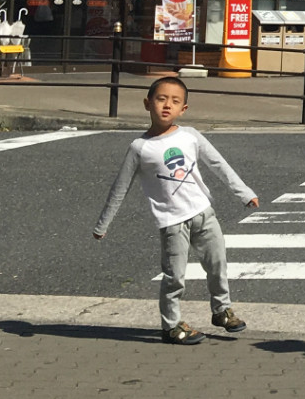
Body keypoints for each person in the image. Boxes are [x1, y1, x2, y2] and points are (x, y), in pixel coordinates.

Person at [92, 75, 258, 345]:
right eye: (160, 99)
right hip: (172, 223)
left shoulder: (190, 136)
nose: (167, 105)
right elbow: (119, 187)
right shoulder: (140, 147)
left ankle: (222, 311)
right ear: (147, 104)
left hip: (204, 214)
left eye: (175, 101)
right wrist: (103, 225)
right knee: (174, 277)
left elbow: (219, 165)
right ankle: (170, 326)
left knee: (218, 266)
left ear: (184, 109)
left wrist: (244, 193)